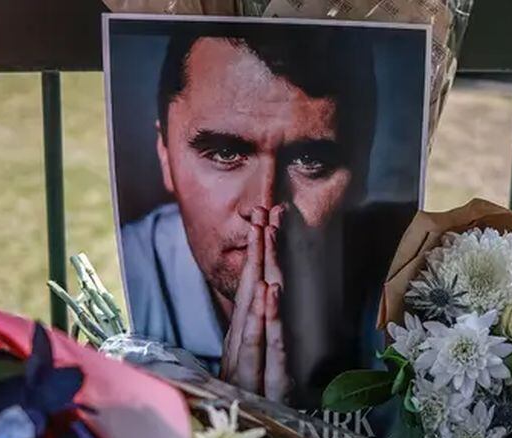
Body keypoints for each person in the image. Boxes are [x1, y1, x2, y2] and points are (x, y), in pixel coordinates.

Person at [120, 24, 417, 407]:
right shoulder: (131, 288)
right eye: (225, 154)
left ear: (362, 169)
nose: (263, 208)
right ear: (164, 152)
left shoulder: (411, 295)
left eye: (310, 161)